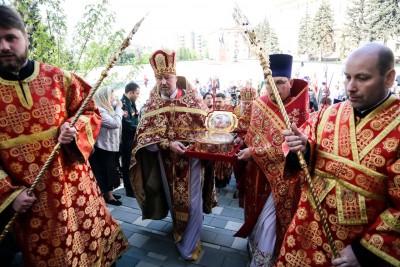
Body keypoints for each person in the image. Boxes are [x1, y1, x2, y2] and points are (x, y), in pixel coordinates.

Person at [0, 5, 129, 266]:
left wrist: (75, 127)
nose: (3, 46)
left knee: (95, 252)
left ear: (26, 37)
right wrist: (8, 194)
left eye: (10, 37)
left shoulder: (59, 78)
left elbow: (91, 111)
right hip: (35, 203)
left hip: (79, 190)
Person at [277, 42, 400, 267]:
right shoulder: (328, 113)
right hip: (305, 231)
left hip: (350, 248)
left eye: (362, 78)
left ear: (389, 78)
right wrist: (304, 149)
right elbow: (300, 156)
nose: (350, 87)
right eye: (347, 77)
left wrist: (364, 251)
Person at [129, 48, 216, 261]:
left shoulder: (193, 100)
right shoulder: (151, 105)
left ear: (176, 77)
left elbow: (207, 130)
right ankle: (179, 232)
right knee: (173, 200)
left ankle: (190, 243)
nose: (163, 82)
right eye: (159, 78)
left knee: (192, 203)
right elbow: (143, 139)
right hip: (164, 162)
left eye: (167, 77)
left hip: (191, 161)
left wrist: (195, 144)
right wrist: (166, 144)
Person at [234, 54, 309, 266]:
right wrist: (240, 143)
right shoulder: (259, 103)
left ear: (290, 82)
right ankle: (253, 247)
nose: (273, 89)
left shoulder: (299, 110)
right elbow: (246, 130)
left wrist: (254, 152)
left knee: (269, 222)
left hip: (283, 178)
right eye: (269, 84)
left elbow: (292, 148)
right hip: (256, 172)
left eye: (280, 83)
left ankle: (263, 261)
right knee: (255, 215)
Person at [89, 87, 124, 206]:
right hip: (103, 147)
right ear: (104, 97)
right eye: (111, 97)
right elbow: (115, 123)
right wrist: (119, 109)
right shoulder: (99, 110)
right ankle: (108, 196)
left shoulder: (106, 109)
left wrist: (118, 112)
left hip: (110, 145)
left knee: (112, 170)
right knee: (106, 171)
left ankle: (109, 193)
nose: (113, 100)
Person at [120, 82, 140, 197]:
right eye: (137, 93)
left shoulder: (132, 102)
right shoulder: (123, 104)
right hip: (127, 139)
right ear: (131, 92)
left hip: (133, 137)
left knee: (133, 162)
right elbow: (127, 123)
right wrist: (139, 129)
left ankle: (134, 185)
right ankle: (129, 189)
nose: (138, 95)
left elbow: (135, 117)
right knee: (127, 163)